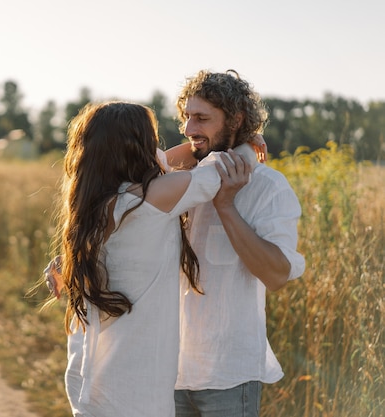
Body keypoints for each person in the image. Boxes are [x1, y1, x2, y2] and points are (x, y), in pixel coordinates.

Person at [49, 100, 255, 417]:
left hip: (90, 386)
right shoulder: (155, 197)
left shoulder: (93, 206)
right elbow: (222, 168)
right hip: (134, 393)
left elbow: (169, 158)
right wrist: (244, 141)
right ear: (140, 146)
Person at [166, 70, 306, 417]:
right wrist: (236, 144)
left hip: (229, 376)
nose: (188, 128)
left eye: (202, 118)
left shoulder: (269, 188)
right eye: (186, 117)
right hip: (169, 369)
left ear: (236, 119)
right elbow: (131, 179)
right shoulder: (182, 182)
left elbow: (276, 274)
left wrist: (226, 206)